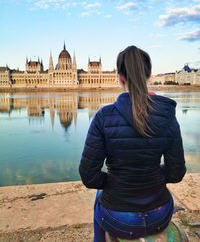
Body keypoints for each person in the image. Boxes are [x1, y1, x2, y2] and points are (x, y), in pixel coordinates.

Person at [79, 45, 186, 242]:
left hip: (118, 219)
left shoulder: (103, 117)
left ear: (120, 77)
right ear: (149, 76)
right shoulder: (167, 115)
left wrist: (117, 183)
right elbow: (176, 173)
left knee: (100, 194)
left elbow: (89, 176)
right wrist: (150, 176)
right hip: (159, 214)